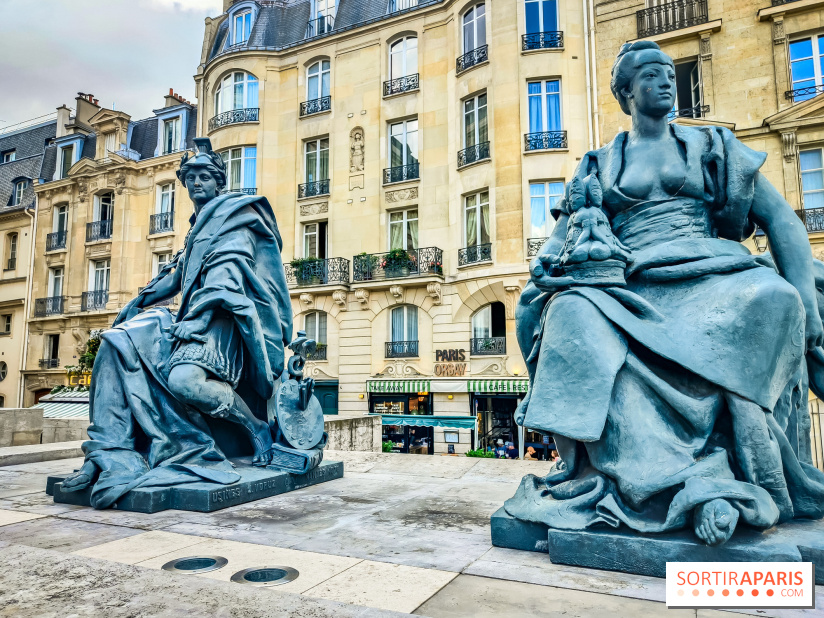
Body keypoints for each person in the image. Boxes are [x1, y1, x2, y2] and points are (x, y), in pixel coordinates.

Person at [505, 41, 824, 546]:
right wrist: (546, 265)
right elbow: (562, 239)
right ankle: (672, 485)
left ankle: (720, 478)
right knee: (569, 311)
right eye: (652, 74)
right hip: (632, 284)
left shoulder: (712, 146)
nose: (666, 82)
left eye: (669, 74)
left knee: (776, 298)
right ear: (627, 92)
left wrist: (806, 297)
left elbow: (782, 220)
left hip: (712, 272)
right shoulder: (599, 164)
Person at [60, 138, 293, 509]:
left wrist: (197, 320)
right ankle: (109, 451)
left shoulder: (236, 216)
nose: (196, 184)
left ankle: (258, 429)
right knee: (115, 342)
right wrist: (140, 299)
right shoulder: (197, 226)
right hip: (192, 315)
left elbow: (228, 276)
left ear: (219, 182)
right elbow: (178, 273)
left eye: (203, 177)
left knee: (186, 382)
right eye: (190, 179)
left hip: (224, 319)